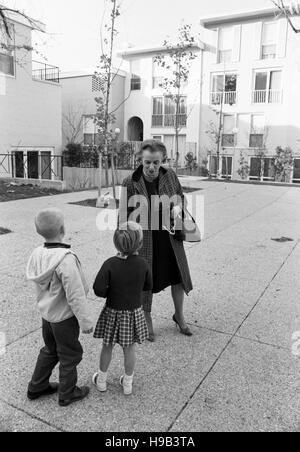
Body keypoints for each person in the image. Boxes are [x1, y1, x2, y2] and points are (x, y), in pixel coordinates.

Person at [119, 140, 193, 342]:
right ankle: (147, 318)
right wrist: (124, 244)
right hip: (144, 238)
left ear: (162, 161)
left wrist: (178, 207)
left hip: (169, 235)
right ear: (140, 160)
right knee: (145, 280)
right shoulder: (130, 182)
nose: (151, 167)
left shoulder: (170, 175)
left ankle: (179, 315)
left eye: (156, 163)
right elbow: (124, 215)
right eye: (147, 163)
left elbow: (180, 196)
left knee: (177, 276)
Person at [26, 208, 94, 407]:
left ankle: (36, 386)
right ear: (63, 228)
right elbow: (75, 294)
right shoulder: (66, 259)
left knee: (50, 350)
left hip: (47, 316)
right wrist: (85, 321)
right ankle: (67, 393)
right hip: (64, 319)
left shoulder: (37, 253)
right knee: (70, 354)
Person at [92, 222, 152, 396]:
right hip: (133, 312)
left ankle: (101, 380)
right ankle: (127, 383)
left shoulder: (110, 263)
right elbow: (148, 285)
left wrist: (111, 290)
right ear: (140, 244)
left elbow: (99, 289)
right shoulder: (143, 264)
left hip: (112, 312)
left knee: (107, 346)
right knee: (129, 348)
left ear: (116, 243)